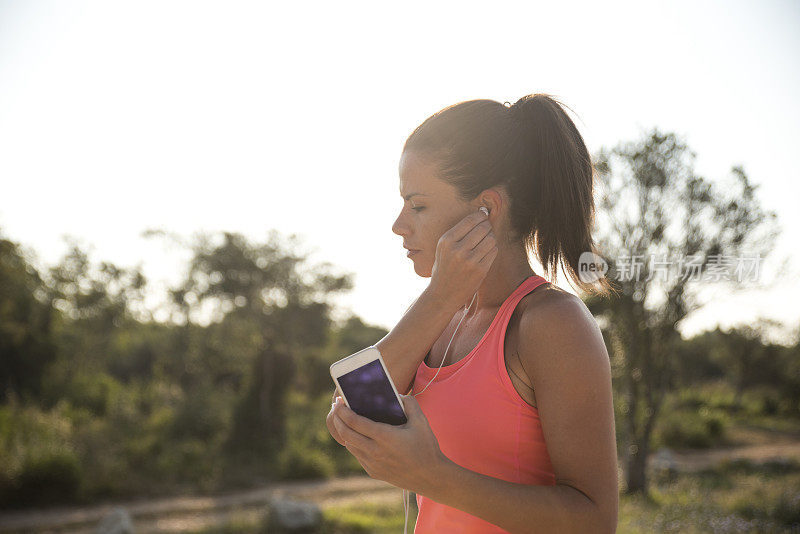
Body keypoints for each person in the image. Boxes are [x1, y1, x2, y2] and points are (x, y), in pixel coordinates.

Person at [326, 94, 619, 533]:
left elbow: (595, 522)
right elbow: (351, 413)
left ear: (486, 209)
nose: (399, 225)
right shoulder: (439, 314)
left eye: (418, 205)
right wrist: (441, 298)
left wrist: (435, 479)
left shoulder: (552, 324)